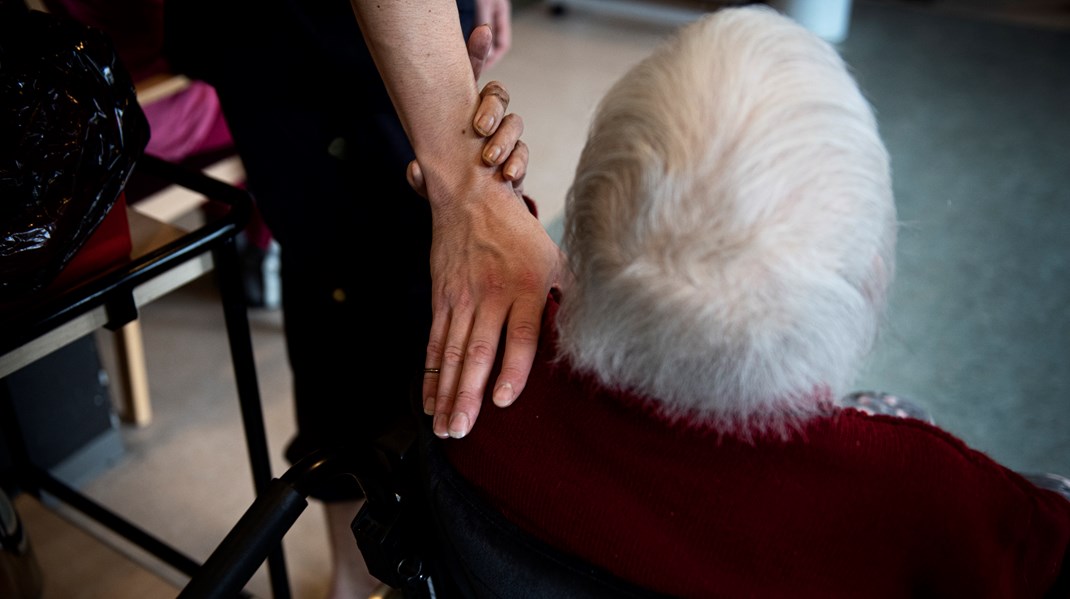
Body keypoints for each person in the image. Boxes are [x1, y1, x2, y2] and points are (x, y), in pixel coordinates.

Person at [428, 5, 1070, 597]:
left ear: (573, 252)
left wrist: (471, 183)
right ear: (872, 280)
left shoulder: (476, 364)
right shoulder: (925, 495)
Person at [161, 1, 556, 596]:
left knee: (413, 279)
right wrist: (465, 187)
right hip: (299, 36)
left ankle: (406, 560)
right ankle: (358, 573)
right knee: (344, 275)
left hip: (411, 22)